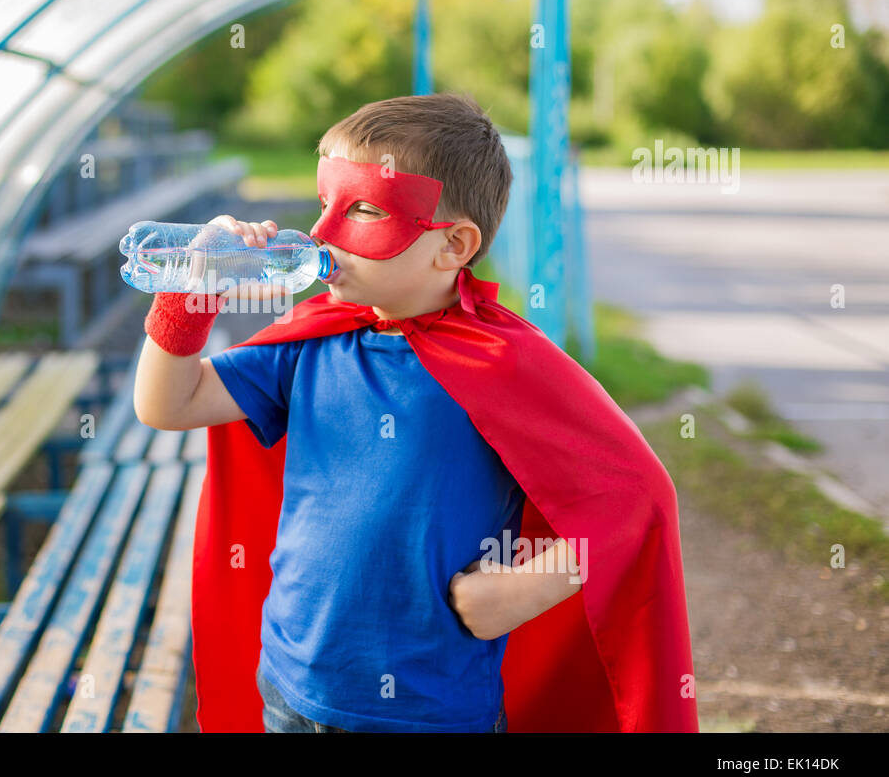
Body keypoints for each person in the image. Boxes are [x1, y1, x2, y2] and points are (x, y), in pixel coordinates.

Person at [132, 92, 697, 733]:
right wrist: (191, 292)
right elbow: (166, 403)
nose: (320, 234)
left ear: (452, 244)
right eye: (324, 204)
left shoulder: (505, 364)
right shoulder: (311, 343)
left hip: (432, 712)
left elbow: (639, 503)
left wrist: (522, 590)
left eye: (363, 209)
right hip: (290, 688)